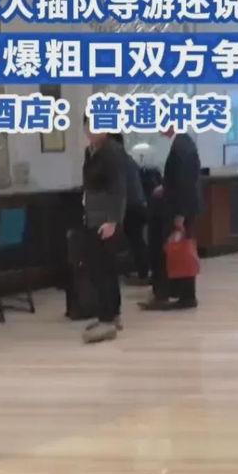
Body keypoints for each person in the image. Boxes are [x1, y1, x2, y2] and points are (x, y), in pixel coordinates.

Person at [140, 127, 202, 311]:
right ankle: (179, 293)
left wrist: (180, 217)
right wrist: (165, 187)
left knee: (179, 250)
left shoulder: (182, 147)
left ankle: (183, 296)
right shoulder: (182, 143)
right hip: (179, 207)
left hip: (179, 210)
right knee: (178, 249)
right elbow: (178, 180)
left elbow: (186, 184)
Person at [82, 116, 127, 344]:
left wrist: (112, 221)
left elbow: (119, 189)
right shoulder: (90, 151)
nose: (91, 130)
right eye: (88, 125)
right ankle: (110, 314)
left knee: (105, 270)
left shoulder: (112, 151)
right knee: (99, 269)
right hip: (92, 217)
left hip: (106, 220)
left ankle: (108, 318)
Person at [108, 133, 149, 285]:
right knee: (136, 241)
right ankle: (142, 272)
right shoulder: (128, 159)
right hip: (138, 204)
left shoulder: (117, 161)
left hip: (131, 207)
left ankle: (143, 274)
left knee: (136, 241)